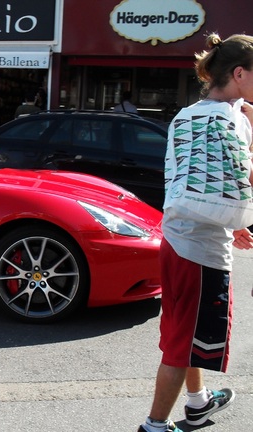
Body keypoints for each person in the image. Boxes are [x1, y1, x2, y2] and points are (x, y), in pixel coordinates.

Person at [137, 33, 253, 432]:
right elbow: (244, 177)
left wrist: (230, 220)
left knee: (181, 332)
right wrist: (238, 218)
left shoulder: (187, 115)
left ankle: (198, 402)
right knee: (180, 346)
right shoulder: (232, 121)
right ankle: (154, 426)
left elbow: (191, 179)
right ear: (239, 73)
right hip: (199, 252)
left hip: (176, 236)